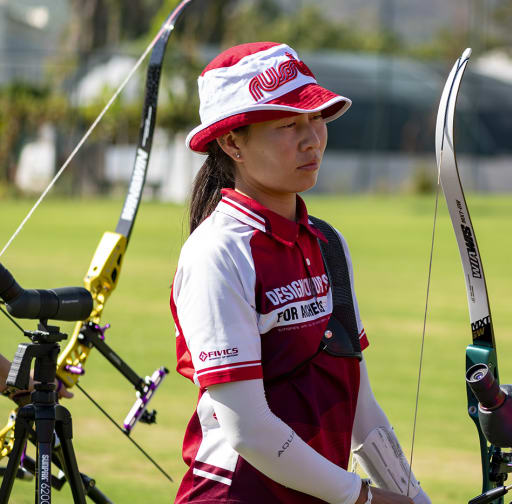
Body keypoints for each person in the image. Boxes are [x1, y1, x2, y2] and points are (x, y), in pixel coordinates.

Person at [171, 42, 429, 504]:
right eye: (288, 125)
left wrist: (414, 498)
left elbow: (360, 408)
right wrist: (362, 498)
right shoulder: (218, 252)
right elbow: (248, 430)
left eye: (317, 119)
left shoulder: (328, 243)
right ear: (232, 143)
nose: (312, 139)